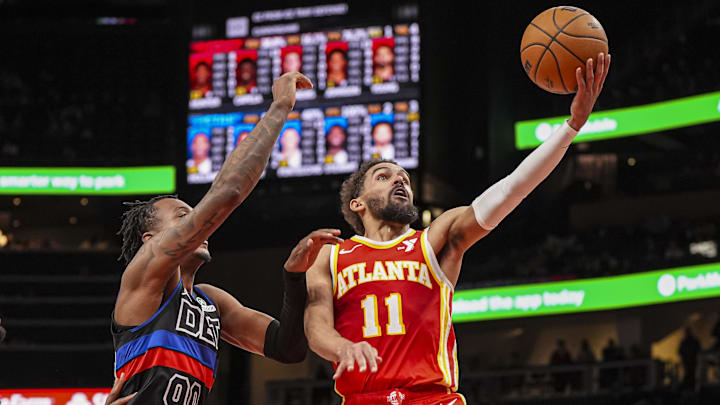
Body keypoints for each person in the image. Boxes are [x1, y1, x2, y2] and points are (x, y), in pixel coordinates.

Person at [304, 54, 611, 403]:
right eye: (384, 176)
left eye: (404, 177)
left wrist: (571, 126)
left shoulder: (434, 240)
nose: (400, 180)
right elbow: (315, 328)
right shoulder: (330, 255)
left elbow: (512, 189)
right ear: (357, 203)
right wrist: (342, 347)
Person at [110, 72, 325, 404]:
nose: (198, 223)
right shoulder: (145, 276)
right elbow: (228, 193)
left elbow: (288, 348)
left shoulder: (211, 303)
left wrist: (294, 278)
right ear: (150, 239)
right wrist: (280, 107)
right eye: (184, 217)